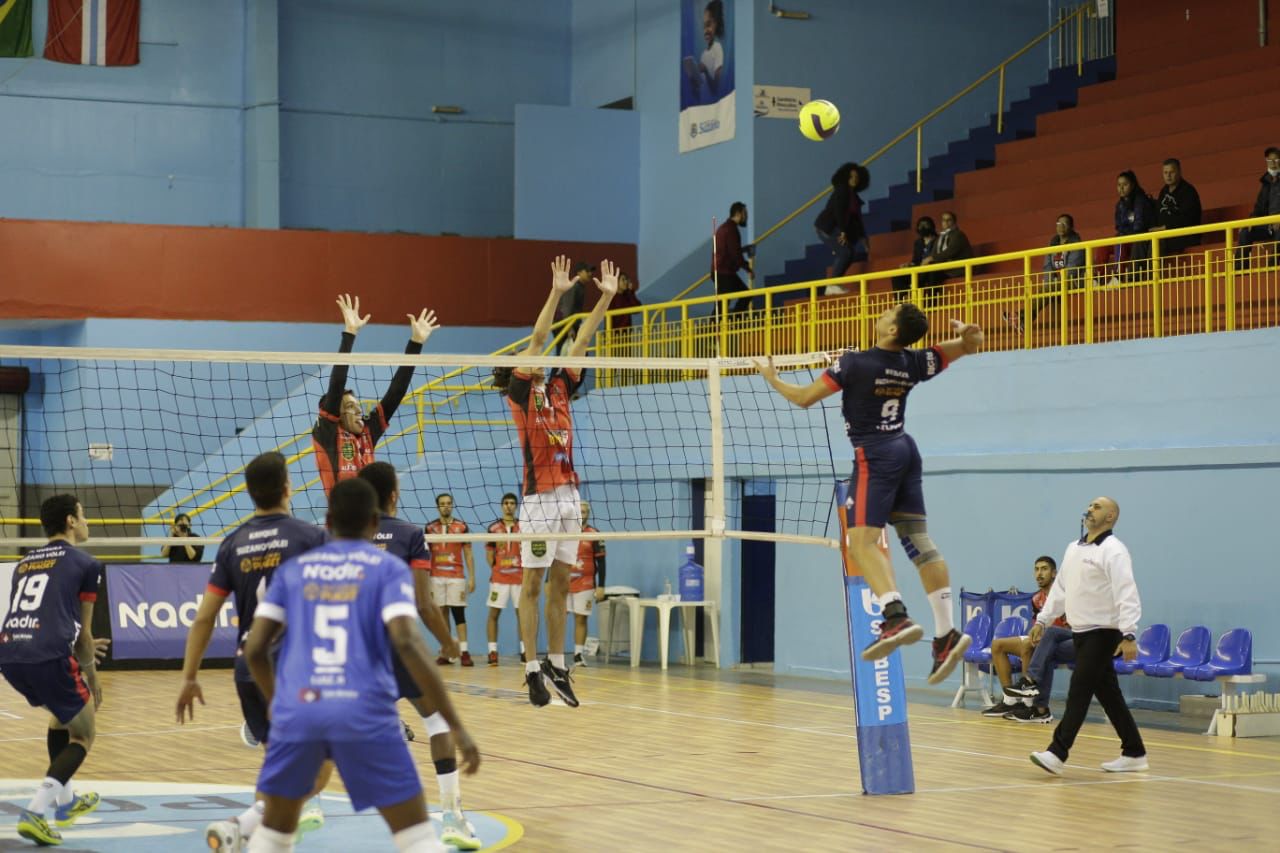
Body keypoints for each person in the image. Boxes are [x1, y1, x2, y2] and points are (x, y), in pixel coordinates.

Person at [239, 478, 480, 853]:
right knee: (416, 838)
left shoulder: (294, 570)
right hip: (365, 712)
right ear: (373, 523)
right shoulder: (386, 569)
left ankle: (274, 817)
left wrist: (279, 706)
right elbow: (406, 642)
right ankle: (454, 816)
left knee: (273, 836)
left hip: (303, 710)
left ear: (328, 519)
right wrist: (459, 727)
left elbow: (255, 648)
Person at [753, 304, 983, 683]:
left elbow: (804, 398)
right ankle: (946, 634)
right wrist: (969, 338)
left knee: (859, 542)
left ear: (892, 329)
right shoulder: (913, 361)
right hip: (906, 450)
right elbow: (965, 347)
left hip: (875, 454)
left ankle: (895, 615)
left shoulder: (855, 364)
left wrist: (772, 378)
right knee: (919, 542)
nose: (881, 314)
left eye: (888, 313)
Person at [175, 452, 329, 850]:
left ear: (248, 493)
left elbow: (205, 618)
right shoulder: (310, 538)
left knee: (282, 767)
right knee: (320, 770)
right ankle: (242, 825)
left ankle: (242, 831)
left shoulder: (233, 544)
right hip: (295, 670)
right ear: (286, 488)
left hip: (248, 669)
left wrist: (190, 676)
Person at [490, 254, 618, 707]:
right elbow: (542, 335)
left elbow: (581, 340)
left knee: (562, 583)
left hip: (569, 495)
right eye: (533, 356)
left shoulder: (561, 386)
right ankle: (529, 669)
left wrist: (604, 298)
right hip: (539, 499)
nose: (542, 357)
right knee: (532, 584)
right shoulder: (520, 392)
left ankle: (558, 666)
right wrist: (558, 293)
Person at [357, 462, 479, 851]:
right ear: (394, 494)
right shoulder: (411, 534)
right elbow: (424, 603)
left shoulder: (344, 535)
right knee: (438, 722)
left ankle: (301, 804)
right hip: (401, 645)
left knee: (332, 733)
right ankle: (451, 817)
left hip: (358, 650)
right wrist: (448, 643)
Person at [0, 495, 103, 846]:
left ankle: (67, 803)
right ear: (71, 522)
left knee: (61, 717)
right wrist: (92, 676)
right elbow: (84, 638)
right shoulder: (86, 564)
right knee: (84, 734)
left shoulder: (25, 562)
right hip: (47, 656)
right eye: (83, 513)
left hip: (10, 655)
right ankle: (36, 812)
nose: (86, 520)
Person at [1029, 497, 1147, 776]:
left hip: (1103, 632)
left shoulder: (1114, 551)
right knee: (1108, 694)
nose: (1090, 509)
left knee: (1079, 689)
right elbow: (1060, 589)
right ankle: (1134, 752)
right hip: (1080, 632)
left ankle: (1057, 753)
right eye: (1090, 505)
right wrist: (1043, 620)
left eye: (1098, 506)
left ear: (1111, 517)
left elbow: (1126, 592)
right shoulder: (1073, 548)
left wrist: (1129, 634)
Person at [312, 293, 439, 495]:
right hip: (343, 519)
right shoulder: (328, 432)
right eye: (351, 407)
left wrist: (416, 343)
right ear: (337, 414)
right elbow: (337, 383)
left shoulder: (367, 433)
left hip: (372, 518)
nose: (359, 410)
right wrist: (350, 332)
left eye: (358, 405)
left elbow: (395, 394)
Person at [979, 555, 1067, 719]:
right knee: (997, 645)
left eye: (1044, 569)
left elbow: (1070, 628)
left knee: (1028, 646)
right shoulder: (1036, 599)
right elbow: (1036, 625)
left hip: (1059, 641)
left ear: (1054, 573)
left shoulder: (1063, 595)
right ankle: (1010, 701)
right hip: (1041, 639)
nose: (1039, 573)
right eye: (1036, 569)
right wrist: (1035, 634)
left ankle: (1029, 704)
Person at [1004, 214, 1086, 331]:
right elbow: (1047, 266)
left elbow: (1072, 269)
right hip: (1056, 282)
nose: (1061, 227)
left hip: (1073, 281)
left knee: (1047, 289)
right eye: (1058, 224)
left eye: (1064, 224)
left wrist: (1054, 282)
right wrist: (1050, 281)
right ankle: (1024, 319)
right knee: (1046, 288)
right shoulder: (1053, 243)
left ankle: (1022, 315)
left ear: (1071, 227)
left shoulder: (1077, 243)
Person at [426, 493, 475, 666]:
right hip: (436, 577)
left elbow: (468, 554)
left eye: (448, 503)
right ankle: (446, 652)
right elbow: (426, 555)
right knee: (441, 614)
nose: (446, 506)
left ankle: (464, 652)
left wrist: (472, 577)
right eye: (442, 504)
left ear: (452, 505)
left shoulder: (462, 526)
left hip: (456, 576)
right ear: (437, 506)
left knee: (458, 614)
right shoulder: (430, 528)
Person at [485, 493, 524, 666]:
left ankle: (525, 650)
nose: (509, 506)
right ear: (502, 506)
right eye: (506, 503)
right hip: (499, 579)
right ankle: (492, 651)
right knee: (493, 614)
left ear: (516, 506)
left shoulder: (523, 527)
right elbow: (489, 555)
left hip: (519, 579)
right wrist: (497, 569)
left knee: (523, 615)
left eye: (512, 503)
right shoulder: (493, 528)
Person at [814, 162, 871, 281]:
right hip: (827, 227)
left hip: (836, 228)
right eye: (851, 177)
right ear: (845, 177)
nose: (854, 179)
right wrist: (842, 232)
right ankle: (832, 284)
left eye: (856, 177)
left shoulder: (854, 197)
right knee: (845, 253)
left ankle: (834, 283)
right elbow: (838, 211)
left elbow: (857, 219)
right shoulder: (842, 190)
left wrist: (863, 238)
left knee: (849, 253)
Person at [567, 500, 606, 668]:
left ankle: (577, 654)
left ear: (587, 514)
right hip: (564, 583)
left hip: (586, 583)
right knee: (557, 618)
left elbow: (602, 562)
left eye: (584, 512)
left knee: (581, 618)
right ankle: (553, 654)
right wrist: (548, 581)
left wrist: (601, 585)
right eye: (579, 511)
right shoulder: (564, 532)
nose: (581, 514)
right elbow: (554, 559)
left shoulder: (594, 534)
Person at [1236, 146, 1280, 268]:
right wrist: (1253, 219)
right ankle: (1239, 269)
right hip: (1268, 224)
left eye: (1276, 160)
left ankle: (1274, 267)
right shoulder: (1266, 183)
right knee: (1245, 232)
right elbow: (1259, 207)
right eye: (1269, 161)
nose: (1273, 164)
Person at [918, 211, 972, 303]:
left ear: (954, 222)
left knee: (932, 271)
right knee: (926, 270)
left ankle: (931, 303)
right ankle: (915, 289)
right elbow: (933, 253)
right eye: (943, 220)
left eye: (949, 220)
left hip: (955, 269)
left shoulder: (958, 235)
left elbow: (949, 252)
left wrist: (931, 259)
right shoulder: (940, 237)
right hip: (942, 268)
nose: (946, 223)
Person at [1112, 170, 1156, 281]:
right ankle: (1097, 279)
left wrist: (1124, 234)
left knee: (1119, 242)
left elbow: (1139, 226)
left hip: (1139, 238)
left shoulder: (1140, 201)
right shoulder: (1120, 205)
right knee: (1102, 247)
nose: (1121, 188)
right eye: (1119, 185)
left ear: (1132, 185)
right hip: (1126, 236)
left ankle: (1117, 277)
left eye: (1125, 185)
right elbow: (1118, 226)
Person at [713, 202, 755, 317]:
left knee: (722, 305)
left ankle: (720, 327)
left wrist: (743, 250)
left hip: (719, 271)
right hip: (724, 272)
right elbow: (734, 254)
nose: (746, 217)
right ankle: (732, 323)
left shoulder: (723, 228)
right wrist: (748, 269)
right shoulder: (731, 230)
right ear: (738, 213)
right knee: (745, 296)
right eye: (745, 213)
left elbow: (729, 251)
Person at [1154, 158, 1202, 255]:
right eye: (1165, 172)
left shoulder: (1188, 191)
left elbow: (1188, 219)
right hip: (1164, 235)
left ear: (1179, 172)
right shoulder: (1163, 191)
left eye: (1171, 172)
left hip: (1184, 236)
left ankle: (1153, 270)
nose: (1168, 176)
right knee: (1142, 243)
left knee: (1156, 244)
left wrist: (1166, 227)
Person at [893, 216, 938, 295]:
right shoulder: (918, 243)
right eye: (920, 226)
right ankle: (901, 300)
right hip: (918, 269)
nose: (923, 227)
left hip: (931, 270)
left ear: (931, 226)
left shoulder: (938, 240)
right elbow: (916, 261)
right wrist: (908, 264)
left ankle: (912, 287)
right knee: (896, 276)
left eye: (925, 225)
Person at [694, 0, 725, 98]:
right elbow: (701, 86)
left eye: (708, 25)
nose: (705, 31)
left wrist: (706, 71)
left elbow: (716, 87)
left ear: (716, 24)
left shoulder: (717, 48)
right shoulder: (703, 54)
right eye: (704, 26)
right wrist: (695, 76)